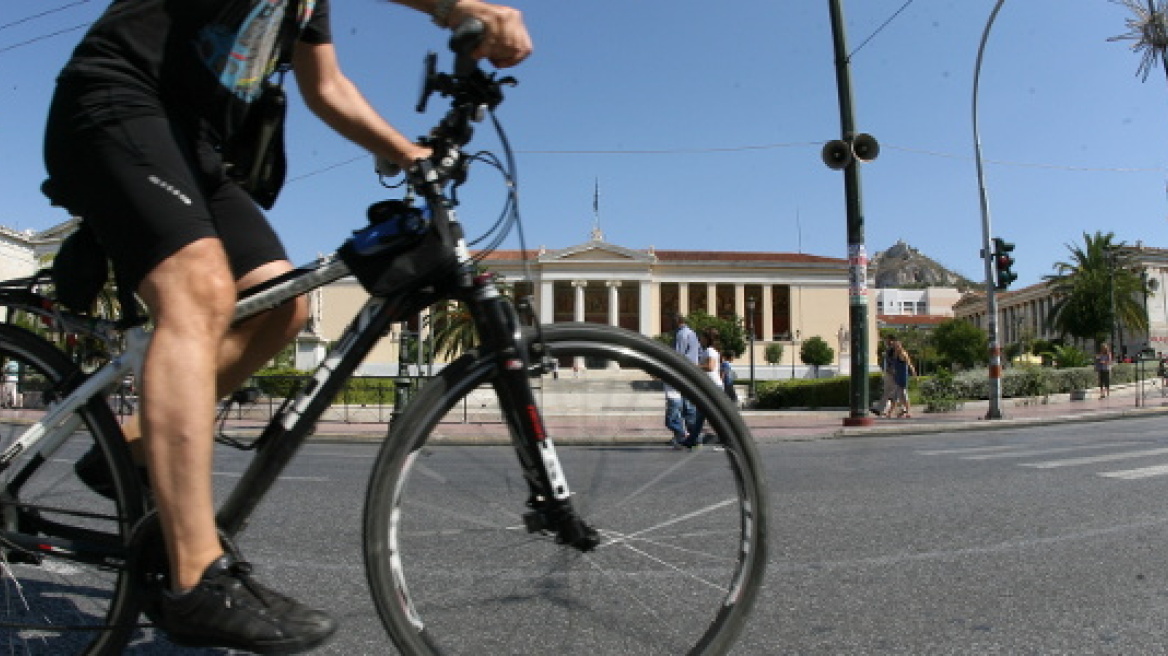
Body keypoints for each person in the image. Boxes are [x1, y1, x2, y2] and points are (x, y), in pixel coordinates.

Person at [43, 1, 531, 652]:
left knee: (282, 304)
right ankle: (195, 580)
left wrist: (409, 154)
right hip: (116, 97)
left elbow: (325, 87)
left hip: (193, 143)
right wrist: (456, 7)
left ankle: (132, 450)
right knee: (200, 291)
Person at [666, 314, 700, 449]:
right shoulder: (692, 333)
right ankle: (692, 435)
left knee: (683, 406)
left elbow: (677, 356)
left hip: (683, 372)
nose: (670, 326)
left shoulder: (681, 335)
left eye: (671, 323)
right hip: (691, 372)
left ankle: (684, 435)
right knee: (689, 405)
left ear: (676, 322)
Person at [687, 327, 722, 446]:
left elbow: (711, 367)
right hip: (712, 386)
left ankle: (693, 439)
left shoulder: (710, 351)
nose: (700, 339)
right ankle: (692, 439)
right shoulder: (711, 350)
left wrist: (696, 366)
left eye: (701, 337)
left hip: (713, 387)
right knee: (702, 414)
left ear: (707, 339)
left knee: (707, 414)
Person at [886, 336, 916, 418]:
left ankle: (908, 412)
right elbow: (893, 365)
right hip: (897, 376)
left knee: (903, 394)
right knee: (896, 395)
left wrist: (913, 373)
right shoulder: (895, 355)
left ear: (900, 346)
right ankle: (891, 412)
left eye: (897, 346)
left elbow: (909, 363)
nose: (896, 347)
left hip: (902, 377)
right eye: (895, 346)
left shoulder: (903, 354)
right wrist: (892, 371)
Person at [871, 334, 897, 417]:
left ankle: (903, 409)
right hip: (888, 372)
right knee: (888, 392)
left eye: (888, 340)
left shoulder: (894, 350)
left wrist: (892, 370)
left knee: (896, 393)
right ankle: (880, 409)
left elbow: (894, 361)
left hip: (892, 373)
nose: (886, 341)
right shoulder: (889, 349)